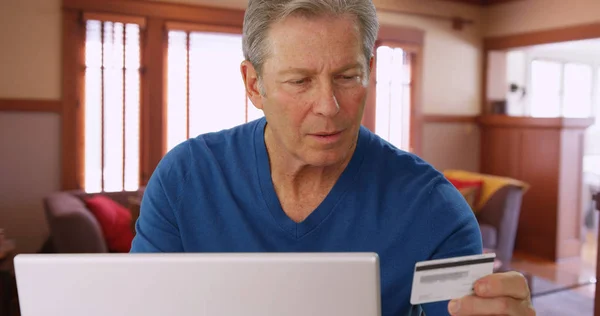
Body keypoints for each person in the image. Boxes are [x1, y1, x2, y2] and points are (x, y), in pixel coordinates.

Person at [130, 0, 535, 315]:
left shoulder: (434, 209)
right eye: (300, 81)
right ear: (254, 85)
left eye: (347, 76)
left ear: (369, 70)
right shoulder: (185, 178)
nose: (328, 105)